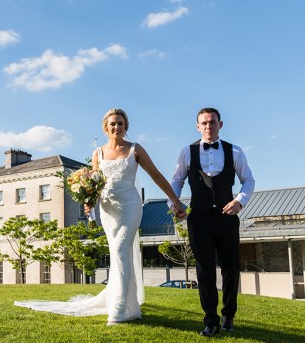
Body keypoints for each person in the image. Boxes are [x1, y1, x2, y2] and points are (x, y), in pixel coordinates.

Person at [15, 108, 185, 325]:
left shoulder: (135, 149)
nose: (117, 127)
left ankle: (118, 311)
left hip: (131, 205)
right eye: (113, 123)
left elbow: (156, 175)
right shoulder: (99, 153)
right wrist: (89, 203)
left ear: (126, 126)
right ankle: (129, 305)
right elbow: (94, 184)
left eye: (121, 123)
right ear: (106, 127)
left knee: (123, 248)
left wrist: (176, 201)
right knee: (117, 255)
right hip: (107, 209)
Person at [168, 107, 255, 337]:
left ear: (220, 124)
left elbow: (248, 180)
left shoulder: (234, 151)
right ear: (198, 126)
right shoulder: (187, 152)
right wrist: (173, 204)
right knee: (204, 270)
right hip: (199, 219)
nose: (208, 126)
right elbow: (176, 181)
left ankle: (229, 315)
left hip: (227, 218)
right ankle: (210, 321)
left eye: (212, 122)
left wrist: (240, 201)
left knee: (230, 267)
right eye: (204, 123)